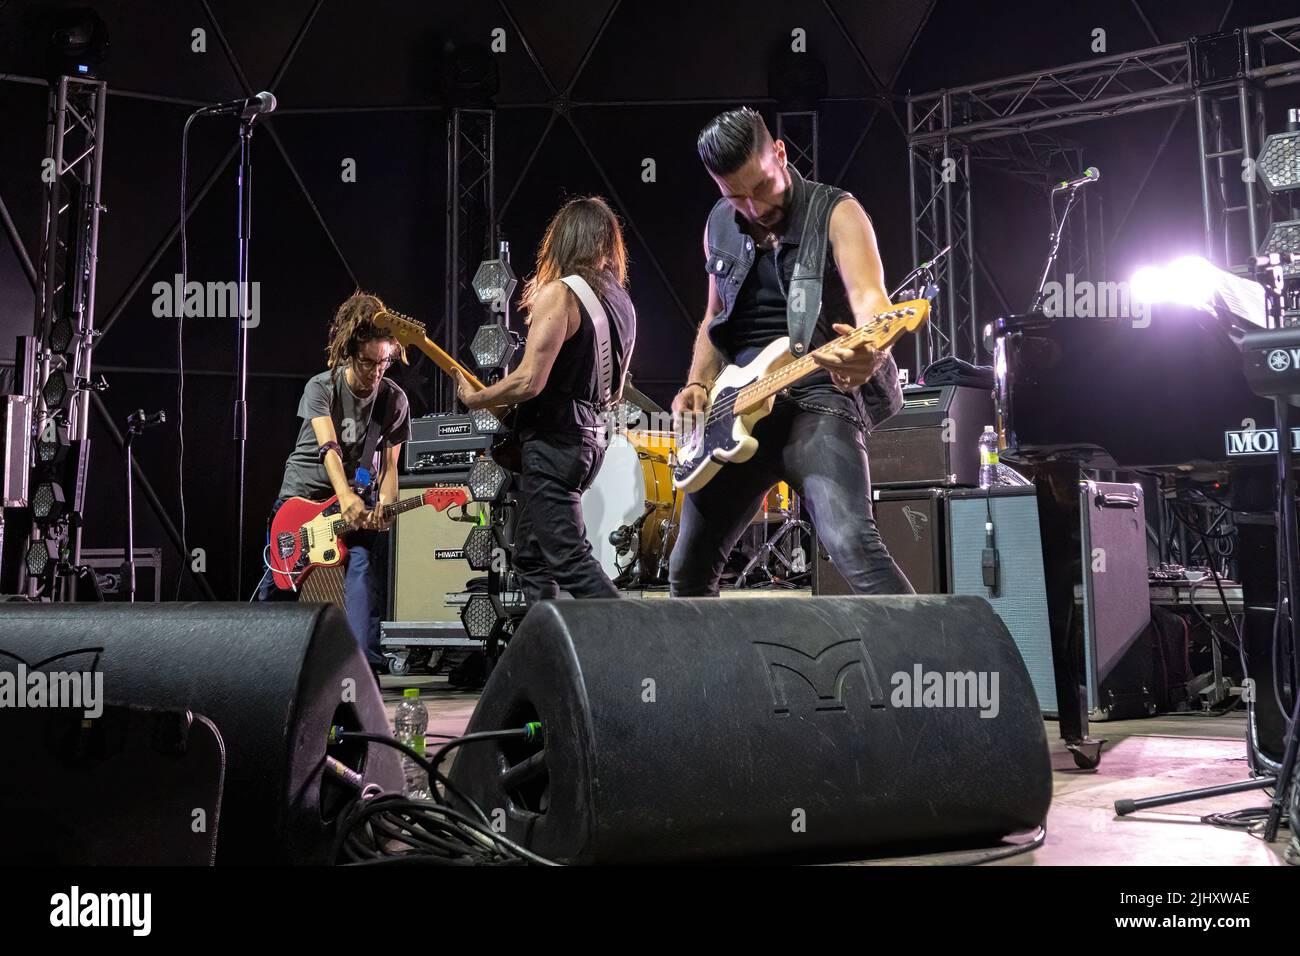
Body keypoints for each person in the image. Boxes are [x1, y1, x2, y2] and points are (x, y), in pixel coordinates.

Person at [669, 107, 913, 596]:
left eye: (761, 186)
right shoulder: (719, 223)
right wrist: (697, 383)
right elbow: (713, 318)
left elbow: (872, 302)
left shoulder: (837, 212)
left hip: (817, 396)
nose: (754, 207)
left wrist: (871, 349)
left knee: (852, 544)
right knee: (686, 570)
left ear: (780, 154)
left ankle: (926, 669)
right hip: (735, 409)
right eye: (735, 195)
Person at [456, 196, 636, 606]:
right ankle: (548, 655)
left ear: (563, 240)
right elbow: (616, 390)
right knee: (533, 558)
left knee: (571, 561)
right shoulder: (622, 304)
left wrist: (477, 398)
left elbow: (529, 381)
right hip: (589, 443)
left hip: (554, 444)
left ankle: (633, 645)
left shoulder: (561, 294)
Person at [258, 291, 411, 672]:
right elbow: (328, 447)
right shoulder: (321, 387)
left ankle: (364, 671)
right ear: (349, 352)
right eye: (367, 362)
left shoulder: (394, 401)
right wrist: (342, 494)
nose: (375, 372)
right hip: (303, 499)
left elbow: (390, 469)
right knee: (281, 582)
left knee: (360, 571)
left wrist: (386, 506)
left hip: (355, 503)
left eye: (384, 363)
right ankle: (254, 658)